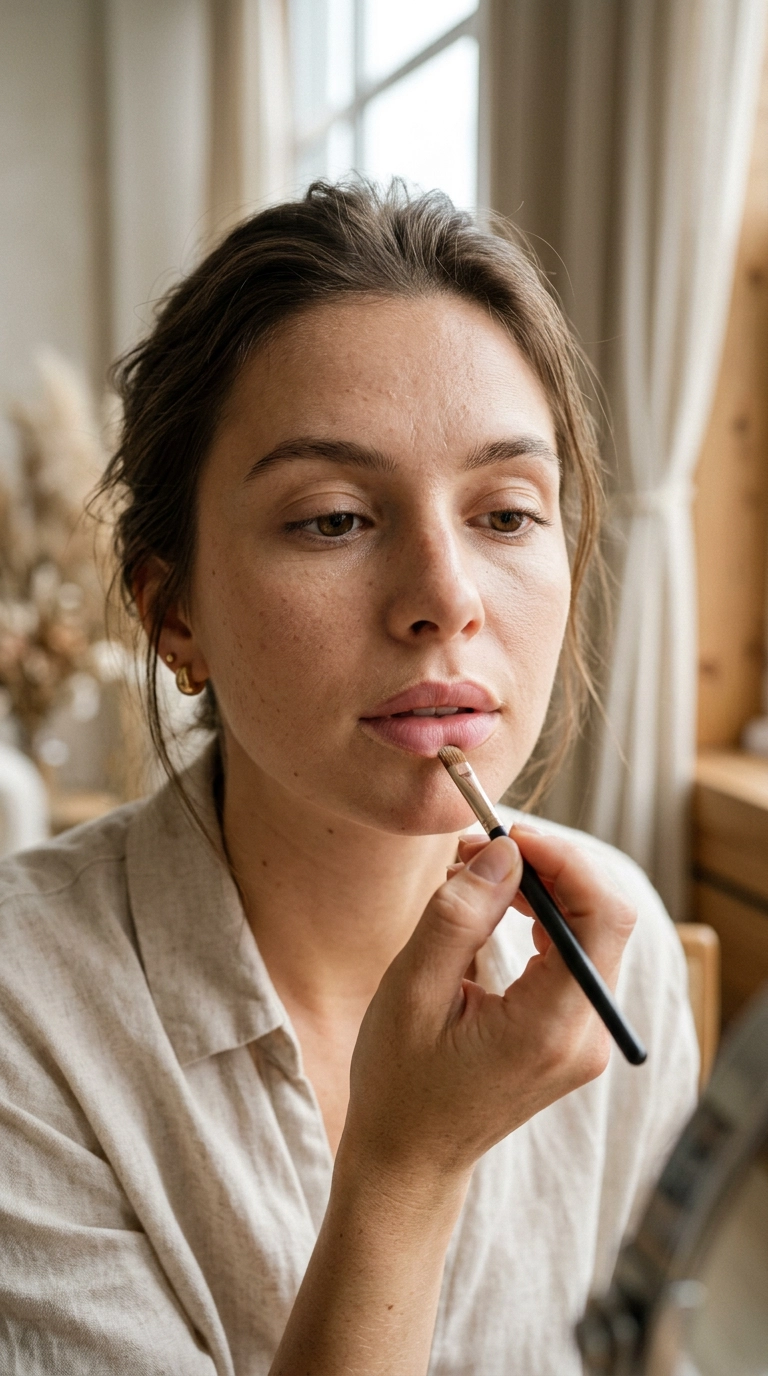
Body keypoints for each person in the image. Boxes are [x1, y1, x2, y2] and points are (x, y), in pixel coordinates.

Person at [0, 182, 697, 1376]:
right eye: (332, 518)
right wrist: (404, 1169)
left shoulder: (615, 945)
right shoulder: (31, 1015)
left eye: (507, 512)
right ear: (174, 613)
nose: (446, 595)